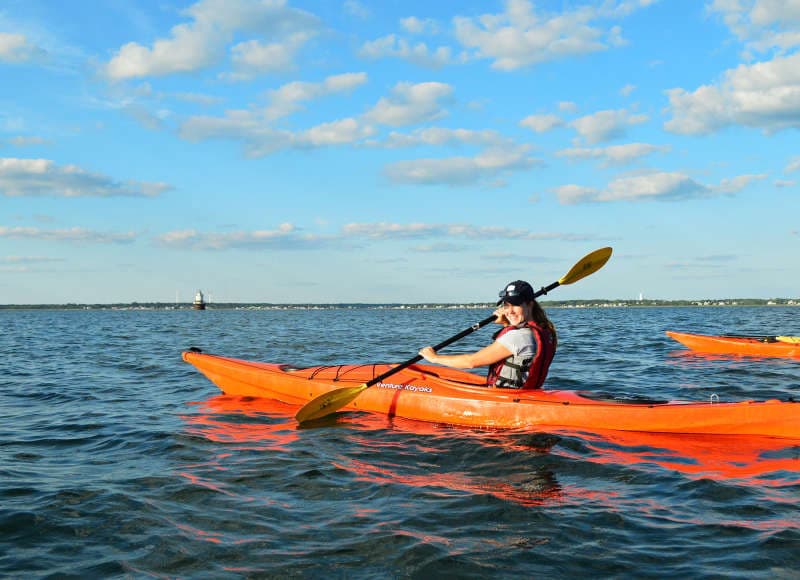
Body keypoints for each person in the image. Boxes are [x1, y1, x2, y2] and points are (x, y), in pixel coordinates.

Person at [418, 280, 557, 389]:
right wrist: (506, 325)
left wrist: (434, 358)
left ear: (530, 304)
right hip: (527, 392)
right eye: (506, 305)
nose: (510, 311)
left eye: (516, 305)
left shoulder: (518, 337)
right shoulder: (545, 330)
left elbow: (470, 362)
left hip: (508, 398)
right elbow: (520, 350)